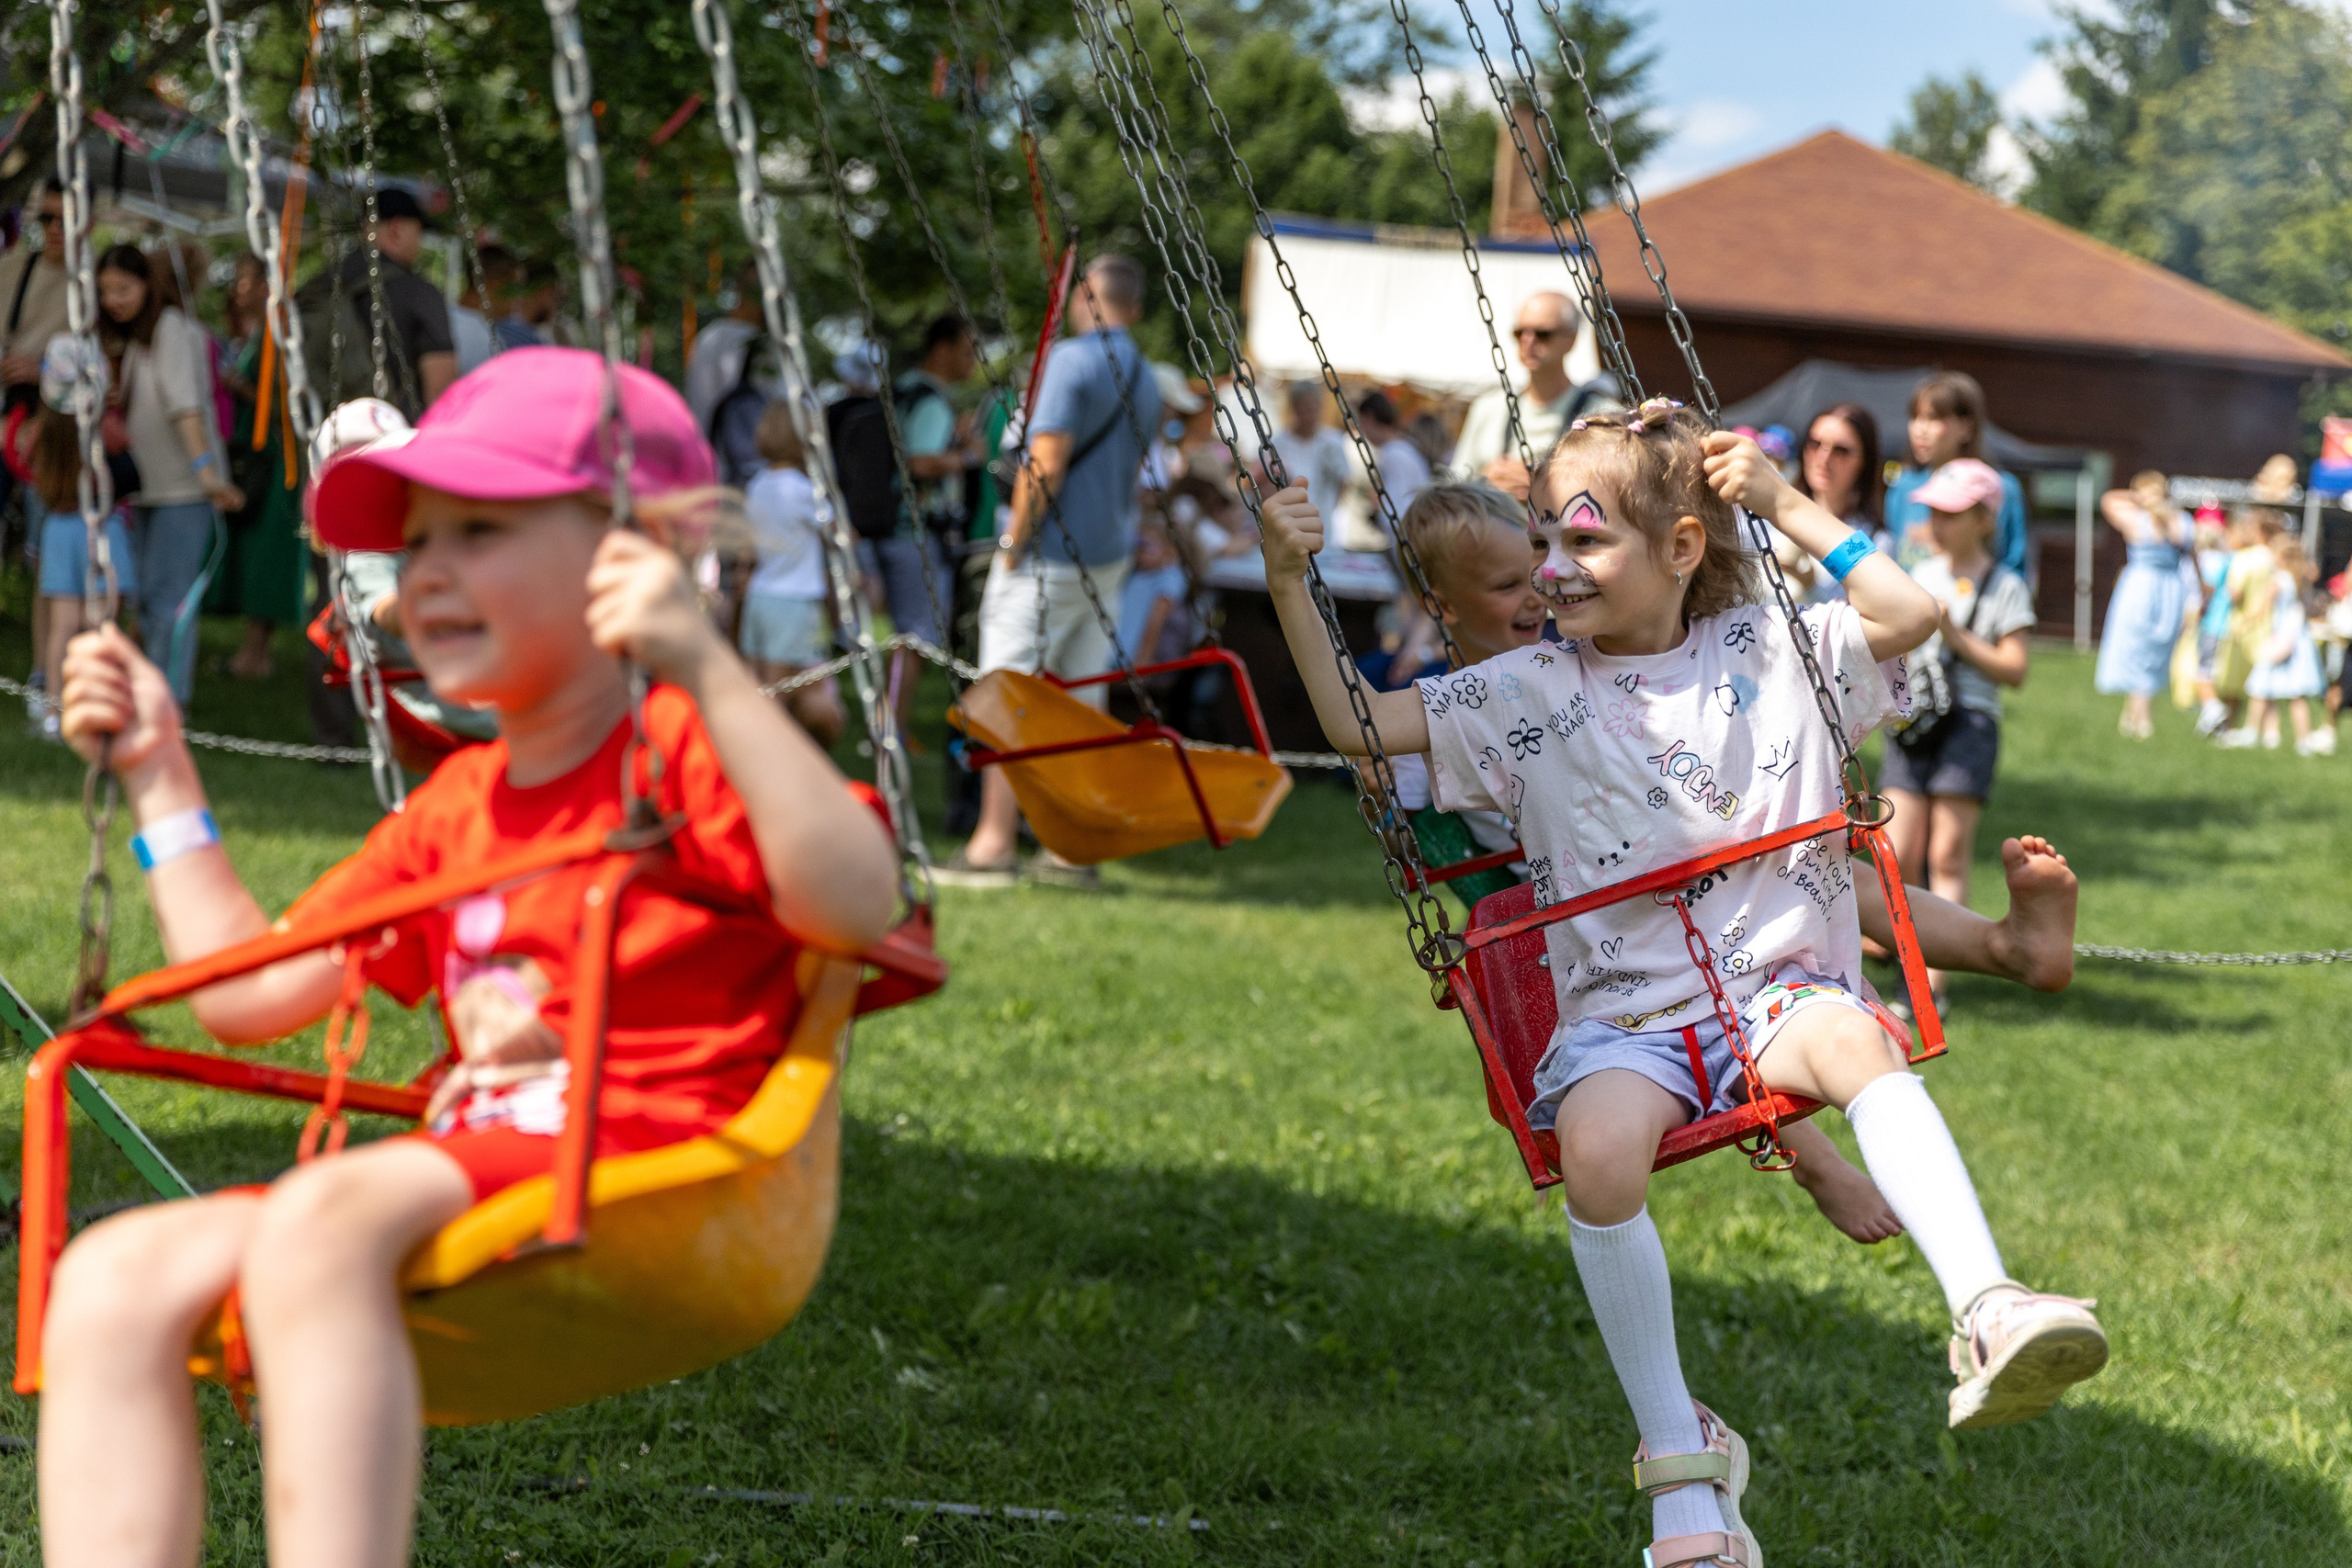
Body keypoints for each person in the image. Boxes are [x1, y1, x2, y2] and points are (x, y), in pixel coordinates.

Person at [36, 345, 899, 1568]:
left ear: (632, 551)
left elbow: (857, 905)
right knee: (116, 1271)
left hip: (678, 1174)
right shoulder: (455, 810)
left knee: (325, 1212)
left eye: (478, 532)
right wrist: (161, 771)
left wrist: (704, 665)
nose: (424, 577)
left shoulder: (687, 747)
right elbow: (248, 992)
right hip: (498, 1165)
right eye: (417, 543)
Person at [1256, 401, 2104, 1565]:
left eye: (1583, 542)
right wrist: (1287, 576)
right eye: (1546, 540)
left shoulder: (1772, 650)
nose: (1553, 569)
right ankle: (1680, 1461)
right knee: (1598, 1156)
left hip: (1776, 991)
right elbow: (1359, 729)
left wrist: (1782, 501)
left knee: (1863, 1047)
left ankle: (1987, 1306)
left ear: (1683, 549)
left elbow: (1913, 613)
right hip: (1628, 1021)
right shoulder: (1522, 693)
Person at [1386, 474, 2084, 1240]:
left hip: (1673, 880)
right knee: (1710, 996)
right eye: (1504, 584)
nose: (1540, 590)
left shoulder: (1573, 654)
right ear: (1444, 606)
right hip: (1583, 927)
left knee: (1812, 871)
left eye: (1536, 567)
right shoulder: (1468, 704)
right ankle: (1820, 1161)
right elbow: (1426, 795)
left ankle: (2003, 943)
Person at [940, 254, 1161, 888]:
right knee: (1082, 703)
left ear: (1085, 295)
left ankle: (992, 844)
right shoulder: (1146, 374)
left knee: (1004, 693)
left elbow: (1048, 461)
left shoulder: (1071, 359)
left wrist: (1011, 542)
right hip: (1108, 559)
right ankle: (1070, 851)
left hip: (1048, 557)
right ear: (1135, 307)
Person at [1881, 459, 2035, 1013]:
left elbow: (2014, 670)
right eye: (1934, 510)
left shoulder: (2005, 584)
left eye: (1951, 512)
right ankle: (1899, 963)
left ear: (1984, 518)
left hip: (1968, 723)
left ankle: (1928, 989)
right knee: (1896, 849)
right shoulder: (1915, 571)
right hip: (1911, 720)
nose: (1937, 522)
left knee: (1947, 853)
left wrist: (1954, 633)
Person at [95, 243, 243, 705]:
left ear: (148, 285)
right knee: (148, 602)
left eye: (124, 288)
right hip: (147, 491)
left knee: (168, 604)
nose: (113, 299)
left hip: (183, 490)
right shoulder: (142, 337)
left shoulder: (173, 329)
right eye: (105, 291)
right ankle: (150, 702)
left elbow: (186, 410)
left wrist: (207, 476)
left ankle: (165, 711)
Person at [10, 335, 137, 739]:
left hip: (57, 531)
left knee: (60, 625)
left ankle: (52, 710)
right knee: (99, 623)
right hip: (98, 528)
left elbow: (22, 464)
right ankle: (96, 708)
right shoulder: (107, 432)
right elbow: (131, 476)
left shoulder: (37, 434)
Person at [293, 186, 458, 417]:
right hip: (393, 437)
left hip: (324, 431)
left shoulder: (323, 283)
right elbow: (439, 392)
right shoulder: (419, 292)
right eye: (418, 232)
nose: (420, 244)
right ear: (396, 229)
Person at [740, 401, 845, 746]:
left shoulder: (758, 484)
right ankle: (775, 762)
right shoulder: (802, 491)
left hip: (761, 597)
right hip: (795, 602)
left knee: (760, 688)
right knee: (789, 697)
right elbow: (840, 533)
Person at [1447, 290, 1620, 501]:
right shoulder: (1488, 408)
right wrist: (1485, 484)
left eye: (1542, 334)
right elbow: (1453, 489)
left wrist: (1547, 485)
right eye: (1520, 333)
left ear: (1572, 339)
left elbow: (1617, 491)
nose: (1528, 341)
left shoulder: (1603, 415)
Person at [1883, 372, 2029, 577]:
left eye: (1933, 418)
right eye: (1915, 417)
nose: (1920, 429)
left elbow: (2014, 568)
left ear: (1966, 427)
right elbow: (1892, 563)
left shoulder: (1999, 487)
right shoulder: (1903, 486)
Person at [2092, 471, 2192, 740]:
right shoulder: (2136, 518)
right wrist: (2138, 498)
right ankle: (2138, 718)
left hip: (2169, 587)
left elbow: (2189, 553)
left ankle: (2137, 715)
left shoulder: (2179, 521)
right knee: (2136, 645)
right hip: (2140, 588)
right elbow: (2108, 500)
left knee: (2157, 648)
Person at [1773, 403, 1884, 602]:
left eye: (1840, 450)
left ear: (1864, 462)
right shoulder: (1770, 517)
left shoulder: (1876, 541)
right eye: (1815, 444)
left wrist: (1811, 587)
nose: (1824, 458)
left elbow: (1866, 624)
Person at [2238, 529, 2329, 754]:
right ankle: (2299, 739)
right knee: (2295, 695)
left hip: (2282, 639)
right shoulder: (2301, 580)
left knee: (2260, 687)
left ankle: (2252, 731)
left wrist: (2243, 623)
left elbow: (2261, 609)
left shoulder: (2279, 580)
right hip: (2299, 640)